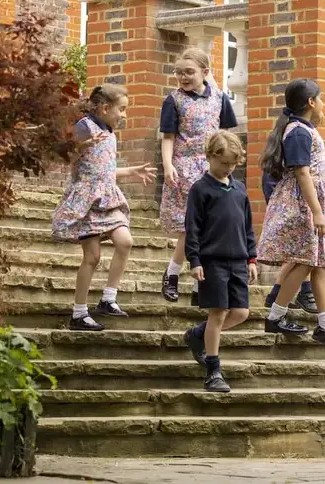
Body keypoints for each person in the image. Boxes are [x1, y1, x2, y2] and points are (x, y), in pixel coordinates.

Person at [257, 78, 325, 352]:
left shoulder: (305, 129)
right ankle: (275, 316)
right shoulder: (299, 131)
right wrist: (318, 213)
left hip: (311, 204)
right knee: (305, 261)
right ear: (311, 102)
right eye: (320, 99)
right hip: (303, 206)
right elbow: (302, 173)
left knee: (320, 264)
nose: (323, 104)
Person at [51, 84, 154, 331]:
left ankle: (108, 298)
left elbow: (104, 169)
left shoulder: (110, 131)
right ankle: (79, 313)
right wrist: (80, 147)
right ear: (106, 108)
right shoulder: (84, 127)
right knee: (93, 257)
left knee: (125, 241)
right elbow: (64, 156)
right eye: (122, 109)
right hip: (87, 200)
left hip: (107, 197)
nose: (124, 115)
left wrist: (131, 171)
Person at [158, 48, 239, 303]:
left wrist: (229, 166)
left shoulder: (220, 98)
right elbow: (168, 137)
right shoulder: (173, 100)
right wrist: (168, 165)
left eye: (189, 72)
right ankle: (172, 273)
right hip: (184, 169)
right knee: (189, 226)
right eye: (179, 72)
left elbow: (226, 136)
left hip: (211, 168)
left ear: (205, 72)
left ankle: (197, 287)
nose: (183, 77)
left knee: (208, 228)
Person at [182, 131, 258, 393]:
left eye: (234, 164)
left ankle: (197, 335)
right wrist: (194, 259)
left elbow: (247, 226)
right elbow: (192, 227)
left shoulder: (239, 189)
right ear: (211, 157)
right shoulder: (200, 189)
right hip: (212, 261)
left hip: (238, 260)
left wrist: (251, 257)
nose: (229, 168)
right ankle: (213, 370)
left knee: (241, 313)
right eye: (224, 163)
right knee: (218, 313)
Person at [261, 167, 318, 314]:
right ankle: (304, 291)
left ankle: (276, 294)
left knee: (302, 247)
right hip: (287, 194)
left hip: (292, 191)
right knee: (303, 246)